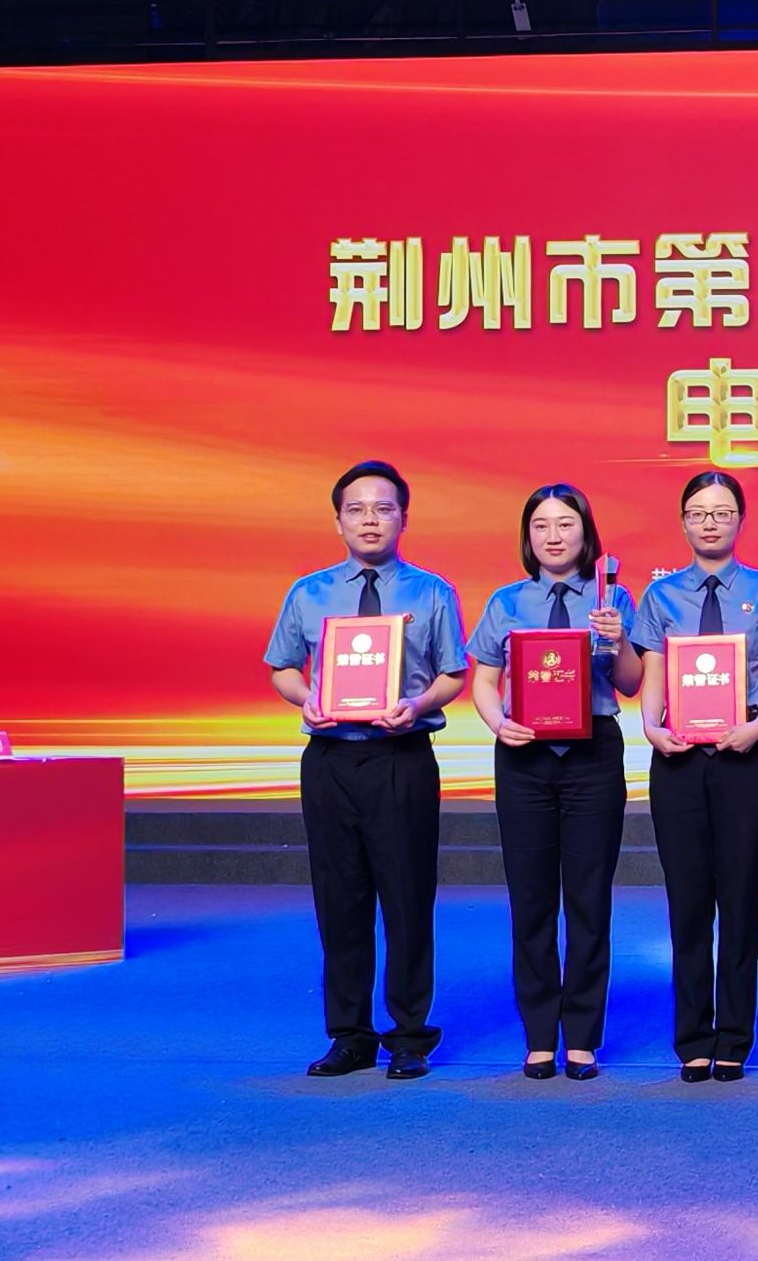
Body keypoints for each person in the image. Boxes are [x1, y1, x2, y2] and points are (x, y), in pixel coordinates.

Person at [265, 460, 468, 1082]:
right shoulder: (308, 592)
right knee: (339, 899)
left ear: (404, 517)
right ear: (338, 521)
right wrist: (307, 699)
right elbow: (282, 668)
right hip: (330, 759)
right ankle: (350, 1035)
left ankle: (409, 1035)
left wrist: (418, 704)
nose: (370, 520)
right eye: (356, 510)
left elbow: (453, 675)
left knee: (407, 899)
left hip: (401, 758)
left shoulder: (432, 592)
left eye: (383, 508)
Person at [468, 483, 641, 1081]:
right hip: (524, 759)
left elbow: (631, 683)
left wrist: (619, 640)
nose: (553, 536)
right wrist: (500, 724)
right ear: (528, 536)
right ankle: (540, 1034)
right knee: (531, 899)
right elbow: (484, 681)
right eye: (541, 526)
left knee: (589, 900)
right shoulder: (506, 601)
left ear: (585, 533)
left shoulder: (612, 598)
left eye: (566, 524)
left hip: (593, 755)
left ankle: (582, 1037)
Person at [632, 471, 758, 1082]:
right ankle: (693, 1038)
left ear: (740, 521)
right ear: (683, 522)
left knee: (741, 902)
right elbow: (652, 677)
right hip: (677, 760)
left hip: (746, 756)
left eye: (722, 513)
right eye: (698, 513)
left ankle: (734, 1038)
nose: (710, 522)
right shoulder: (661, 596)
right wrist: (650, 728)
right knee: (688, 903)